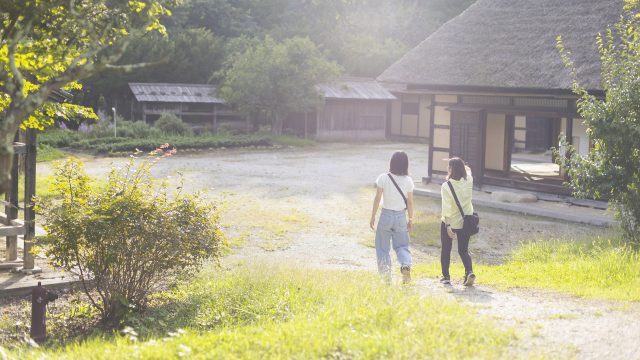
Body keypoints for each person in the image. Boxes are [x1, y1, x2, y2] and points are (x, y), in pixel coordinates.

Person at [369, 151, 414, 284]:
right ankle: (405, 264)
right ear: (406, 164)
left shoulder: (383, 177)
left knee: (382, 248)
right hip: (400, 216)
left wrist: (372, 216)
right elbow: (410, 202)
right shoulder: (408, 180)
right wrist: (410, 219)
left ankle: (386, 277)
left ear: (392, 162)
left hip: (386, 215)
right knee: (402, 246)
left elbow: (377, 199)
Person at [440, 157, 475, 286]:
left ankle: (446, 276)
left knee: (446, 249)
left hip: (451, 222)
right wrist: (457, 163)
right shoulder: (469, 180)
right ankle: (469, 272)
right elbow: (468, 169)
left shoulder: (446, 186)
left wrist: (448, 226)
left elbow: (446, 207)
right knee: (463, 250)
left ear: (450, 169)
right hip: (466, 221)